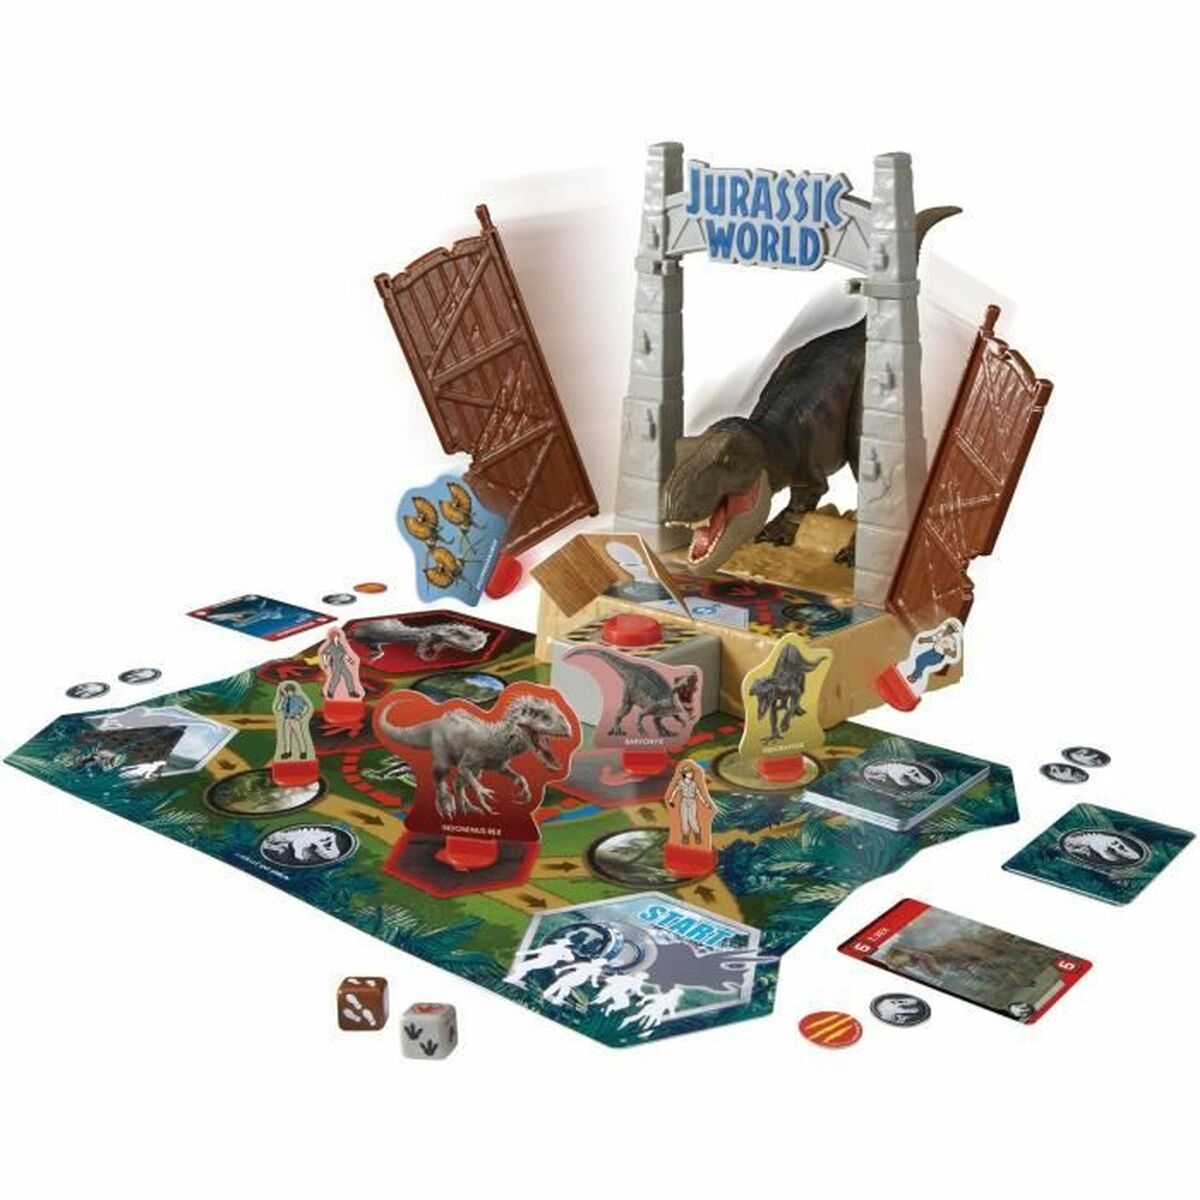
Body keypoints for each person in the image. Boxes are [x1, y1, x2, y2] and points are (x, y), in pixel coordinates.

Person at [665, 761, 716, 848]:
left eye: (691, 773)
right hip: (684, 801)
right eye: (689, 773)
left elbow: (699, 794)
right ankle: (685, 836)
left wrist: (705, 803)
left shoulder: (694, 784)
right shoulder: (681, 783)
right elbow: (675, 791)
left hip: (692, 801)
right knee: (684, 819)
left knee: (692, 819)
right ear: (685, 774)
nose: (691, 774)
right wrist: (671, 799)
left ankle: (697, 834)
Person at [274, 682, 313, 760]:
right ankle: (288, 752)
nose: (288, 693)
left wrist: (300, 715)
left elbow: (305, 707)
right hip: (287, 720)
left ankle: (303, 752)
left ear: (293, 691)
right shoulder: (285, 700)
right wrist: (282, 699)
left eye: (290, 691)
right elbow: (278, 708)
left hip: (294, 720)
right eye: (287, 691)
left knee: (299, 736)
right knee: (287, 737)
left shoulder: (298, 699)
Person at [319, 629, 362, 700]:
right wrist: (325, 663)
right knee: (336, 678)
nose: (337, 638)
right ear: (332, 638)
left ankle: (352, 692)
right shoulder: (330, 647)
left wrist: (350, 661)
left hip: (342, 662)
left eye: (337, 636)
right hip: (335, 663)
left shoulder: (340, 645)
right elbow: (324, 654)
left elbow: (344, 654)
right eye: (335, 637)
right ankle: (330, 692)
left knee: (348, 676)